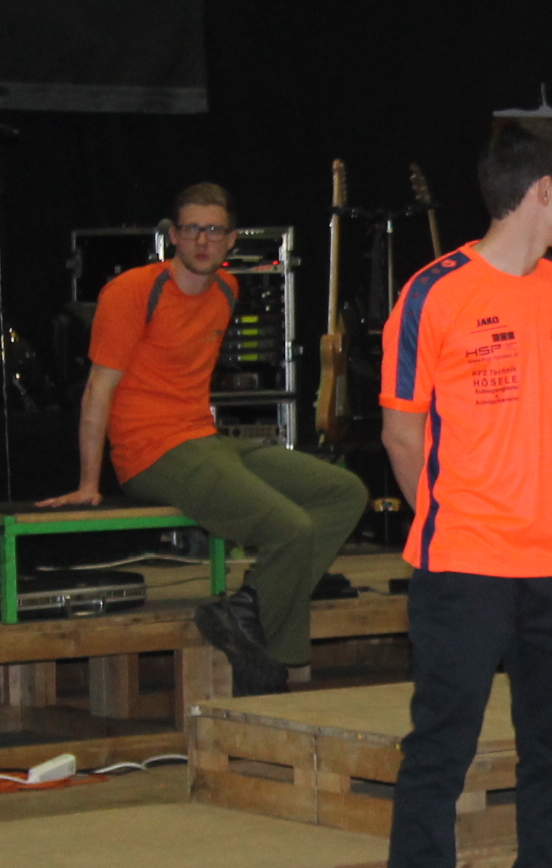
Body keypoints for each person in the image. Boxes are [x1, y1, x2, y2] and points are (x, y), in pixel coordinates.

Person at [378, 120, 552, 868]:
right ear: (541, 191)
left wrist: (540, 510)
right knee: (442, 751)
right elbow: (402, 435)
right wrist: (460, 519)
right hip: (464, 564)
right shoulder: (434, 293)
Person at [44, 185, 366, 696]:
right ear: (173, 236)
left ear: (232, 239)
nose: (202, 241)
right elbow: (97, 390)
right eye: (191, 229)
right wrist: (89, 481)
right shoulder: (132, 291)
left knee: (344, 492)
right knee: (291, 527)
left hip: (204, 439)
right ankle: (271, 659)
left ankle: (246, 608)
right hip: (151, 452)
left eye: (214, 230)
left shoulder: (227, 291)